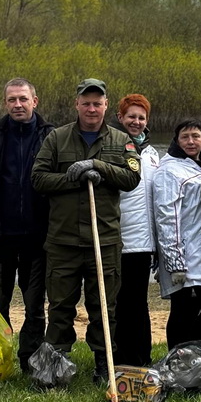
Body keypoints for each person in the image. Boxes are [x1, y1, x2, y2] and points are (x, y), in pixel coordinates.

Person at [31, 78, 140, 383]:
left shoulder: (122, 141)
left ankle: (104, 366)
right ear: (76, 104)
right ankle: (56, 366)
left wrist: (99, 166)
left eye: (97, 103)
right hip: (63, 241)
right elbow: (38, 179)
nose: (91, 108)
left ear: (106, 105)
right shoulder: (56, 138)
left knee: (104, 307)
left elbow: (132, 178)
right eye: (86, 103)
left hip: (102, 241)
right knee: (60, 306)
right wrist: (72, 177)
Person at [0, 77, 55, 373]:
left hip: (37, 239)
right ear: (5, 103)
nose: (18, 104)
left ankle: (31, 363)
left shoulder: (50, 136)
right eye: (12, 100)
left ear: (35, 101)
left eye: (23, 99)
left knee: (34, 308)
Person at [153, 120, 201, 347]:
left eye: (196, 136)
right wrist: (175, 261)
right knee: (184, 311)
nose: (191, 141)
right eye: (185, 137)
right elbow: (167, 216)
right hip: (185, 257)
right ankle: (177, 360)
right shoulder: (170, 170)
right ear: (176, 141)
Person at [114, 93, 160, 366]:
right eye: (131, 116)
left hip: (145, 242)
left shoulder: (153, 154)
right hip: (120, 238)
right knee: (121, 302)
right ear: (120, 118)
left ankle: (142, 358)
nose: (136, 121)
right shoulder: (112, 147)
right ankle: (119, 358)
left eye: (141, 117)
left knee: (140, 302)